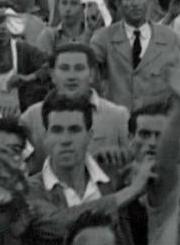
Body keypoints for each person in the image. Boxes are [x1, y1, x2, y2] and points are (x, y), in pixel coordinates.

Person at [23, 93, 147, 245]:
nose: (65, 140)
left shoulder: (114, 176)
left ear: (89, 136)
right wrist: (127, 193)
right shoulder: (28, 189)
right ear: (46, 137)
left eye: (74, 130)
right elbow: (56, 224)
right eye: (57, 130)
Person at [19, 43, 130, 171]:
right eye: (64, 68)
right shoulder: (32, 116)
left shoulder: (117, 116)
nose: (71, 76)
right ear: (52, 75)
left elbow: (132, 163)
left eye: (79, 68)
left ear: (92, 74)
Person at [93, 0, 180, 112]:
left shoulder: (169, 37)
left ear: (148, 1)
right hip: (118, 121)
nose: (135, 3)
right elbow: (86, 66)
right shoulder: (104, 38)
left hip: (156, 122)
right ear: (118, 4)